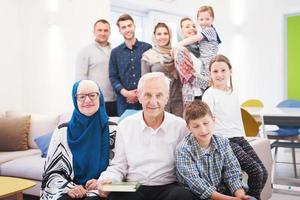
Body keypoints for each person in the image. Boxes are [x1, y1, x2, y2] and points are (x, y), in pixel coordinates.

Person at [97, 72, 195, 200]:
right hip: (134, 186)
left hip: (168, 186)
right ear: (139, 96)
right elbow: (118, 166)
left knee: (183, 196)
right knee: (117, 196)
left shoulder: (180, 126)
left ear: (167, 97)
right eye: (147, 95)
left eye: (159, 95)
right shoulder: (126, 125)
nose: (153, 101)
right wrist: (108, 179)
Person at [202, 55, 267, 200]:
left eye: (223, 70)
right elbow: (207, 122)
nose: (219, 74)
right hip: (223, 141)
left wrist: (244, 138)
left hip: (238, 137)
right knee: (255, 171)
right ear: (210, 74)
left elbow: (236, 118)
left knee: (263, 172)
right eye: (215, 71)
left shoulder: (234, 92)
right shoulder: (209, 94)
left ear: (230, 71)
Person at [41, 80, 110, 200]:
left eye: (92, 95)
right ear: (75, 100)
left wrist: (100, 181)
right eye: (81, 97)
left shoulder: (113, 129)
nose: (87, 100)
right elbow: (51, 172)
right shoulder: (62, 130)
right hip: (69, 186)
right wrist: (69, 187)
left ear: (100, 97)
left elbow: (120, 166)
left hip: (101, 187)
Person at [176, 100, 255, 200]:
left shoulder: (223, 142)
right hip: (197, 196)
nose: (203, 130)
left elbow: (232, 172)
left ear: (213, 120)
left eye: (206, 123)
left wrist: (240, 196)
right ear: (188, 127)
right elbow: (197, 185)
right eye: (196, 126)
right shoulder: (183, 150)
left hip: (222, 192)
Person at [109, 14, 152, 116]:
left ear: (134, 26)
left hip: (146, 99)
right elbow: (113, 77)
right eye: (123, 27)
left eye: (129, 25)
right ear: (119, 30)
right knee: (126, 130)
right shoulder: (115, 52)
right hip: (124, 102)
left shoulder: (147, 47)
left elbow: (151, 74)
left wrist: (140, 93)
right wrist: (126, 93)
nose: (127, 29)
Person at [75, 19, 117, 116]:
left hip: (115, 101)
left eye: (106, 30)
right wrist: (85, 100)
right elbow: (80, 79)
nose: (103, 33)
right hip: (95, 101)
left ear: (110, 32)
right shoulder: (85, 51)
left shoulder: (115, 51)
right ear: (94, 32)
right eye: (100, 30)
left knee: (113, 129)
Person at [141, 22, 183, 117]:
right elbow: (145, 84)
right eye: (159, 34)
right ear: (154, 36)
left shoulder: (177, 52)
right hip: (157, 103)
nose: (162, 37)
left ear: (170, 35)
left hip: (178, 102)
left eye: (165, 33)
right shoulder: (148, 56)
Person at [174, 17, 210, 105]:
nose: (192, 28)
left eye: (194, 26)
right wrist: (210, 82)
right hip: (192, 98)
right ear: (180, 31)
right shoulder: (180, 51)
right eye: (187, 27)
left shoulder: (200, 50)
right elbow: (190, 76)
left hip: (205, 95)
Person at [177, 5, 221, 70]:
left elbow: (192, 39)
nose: (204, 22)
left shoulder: (209, 30)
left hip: (208, 63)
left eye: (207, 19)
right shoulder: (180, 51)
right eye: (201, 19)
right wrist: (177, 45)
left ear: (213, 19)